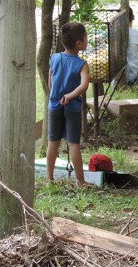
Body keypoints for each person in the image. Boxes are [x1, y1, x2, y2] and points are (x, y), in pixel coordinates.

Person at [46, 22, 90, 187]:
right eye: (85, 38)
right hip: (71, 108)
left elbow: (50, 83)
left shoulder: (54, 58)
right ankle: (80, 182)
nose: (87, 41)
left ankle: (49, 179)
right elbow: (84, 86)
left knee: (53, 143)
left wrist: (58, 96)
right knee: (73, 144)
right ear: (79, 43)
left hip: (54, 105)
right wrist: (70, 96)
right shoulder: (82, 64)